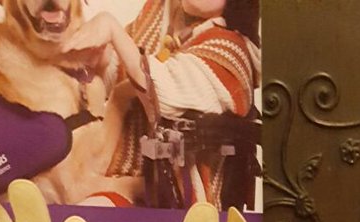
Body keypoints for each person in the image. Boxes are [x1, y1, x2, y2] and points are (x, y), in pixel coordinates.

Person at [64, 0, 261, 208]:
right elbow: (120, 71)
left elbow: (161, 94)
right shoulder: (161, 16)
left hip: (171, 195)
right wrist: (101, 57)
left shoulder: (231, 51)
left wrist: (112, 29)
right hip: (116, 174)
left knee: (82, 218)